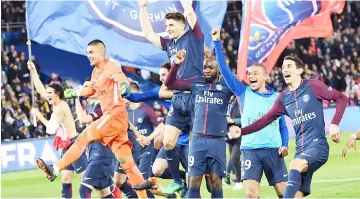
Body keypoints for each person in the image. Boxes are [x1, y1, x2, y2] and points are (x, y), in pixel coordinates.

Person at [35, 39, 149, 198]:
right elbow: (91, 90)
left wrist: (124, 86)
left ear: (101, 53)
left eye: (91, 52)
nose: (88, 55)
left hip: (114, 115)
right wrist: (76, 93)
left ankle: (54, 169)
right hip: (117, 123)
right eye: (87, 52)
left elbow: (120, 77)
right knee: (127, 164)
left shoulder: (110, 66)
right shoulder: (96, 72)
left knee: (83, 138)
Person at [232, 55, 348, 198]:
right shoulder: (283, 97)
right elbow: (265, 120)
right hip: (300, 149)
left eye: (289, 66)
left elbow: (342, 98)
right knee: (295, 195)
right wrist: (242, 131)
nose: (284, 69)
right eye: (283, 67)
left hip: (318, 146)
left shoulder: (313, 86)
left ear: (299, 70)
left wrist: (334, 123)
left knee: (295, 164)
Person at [212, 29, 289, 198]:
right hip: (250, 151)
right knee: (251, 194)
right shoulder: (243, 92)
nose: (251, 76)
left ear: (265, 76)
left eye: (255, 73)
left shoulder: (277, 98)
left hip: (273, 151)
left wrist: (285, 145)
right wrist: (217, 42)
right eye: (249, 74)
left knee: (284, 193)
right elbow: (224, 70)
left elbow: (282, 126)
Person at [138, 0, 203, 193]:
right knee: (167, 142)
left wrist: (186, 4)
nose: (168, 29)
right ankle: (177, 180)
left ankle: (201, 182)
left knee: (195, 148)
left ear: (182, 25)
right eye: (166, 26)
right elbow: (149, 34)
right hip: (178, 98)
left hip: (195, 97)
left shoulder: (194, 37)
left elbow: (190, 13)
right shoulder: (169, 44)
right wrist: (142, 8)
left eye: (171, 25)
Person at [165, 50, 233, 198]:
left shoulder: (227, 86)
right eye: (205, 68)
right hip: (197, 140)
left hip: (217, 141)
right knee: (194, 180)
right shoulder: (195, 83)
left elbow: (244, 89)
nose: (207, 71)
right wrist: (176, 65)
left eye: (211, 68)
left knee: (215, 182)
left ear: (218, 70)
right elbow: (170, 83)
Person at [125, 63, 189, 196]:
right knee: (157, 169)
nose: (160, 78)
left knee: (207, 183)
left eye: (164, 75)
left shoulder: (187, 91)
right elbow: (138, 97)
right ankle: (181, 180)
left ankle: (187, 182)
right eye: (160, 75)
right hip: (171, 140)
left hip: (188, 140)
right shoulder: (159, 91)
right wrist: (126, 93)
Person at [28, 62, 88, 199]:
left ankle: (109, 193)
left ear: (57, 94)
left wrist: (39, 116)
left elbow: (51, 129)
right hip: (66, 145)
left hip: (74, 145)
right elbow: (40, 90)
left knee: (85, 180)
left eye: (49, 93)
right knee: (66, 178)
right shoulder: (55, 102)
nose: (46, 95)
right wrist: (33, 71)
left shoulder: (61, 107)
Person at [74, 78, 121, 198]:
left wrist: (76, 98)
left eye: (88, 87)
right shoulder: (91, 107)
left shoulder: (102, 106)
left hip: (101, 153)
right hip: (94, 151)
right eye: (84, 87)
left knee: (84, 189)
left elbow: (83, 119)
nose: (85, 90)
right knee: (104, 192)